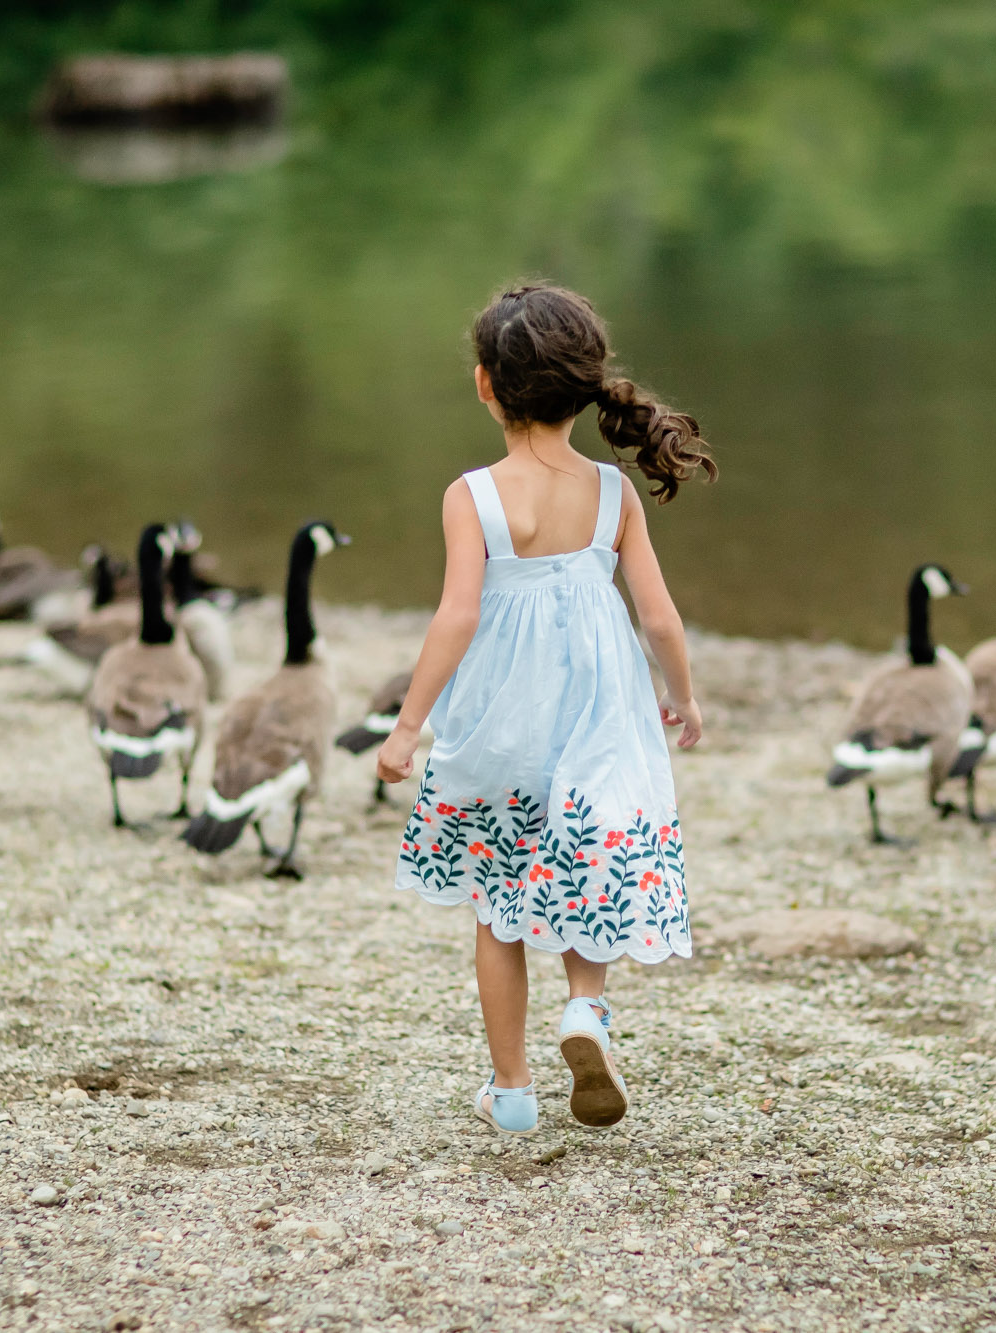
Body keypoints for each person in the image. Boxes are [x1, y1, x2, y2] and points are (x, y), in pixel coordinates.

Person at [375, 283, 715, 1135]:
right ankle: (588, 1009)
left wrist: (408, 725)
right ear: (586, 387)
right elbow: (661, 617)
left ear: (487, 385)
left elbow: (456, 617)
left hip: (503, 725)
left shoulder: (473, 495)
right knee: (586, 865)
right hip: (597, 715)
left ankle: (514, 1090)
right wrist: (682, 697)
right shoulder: (613, 494)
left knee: (499, 905)